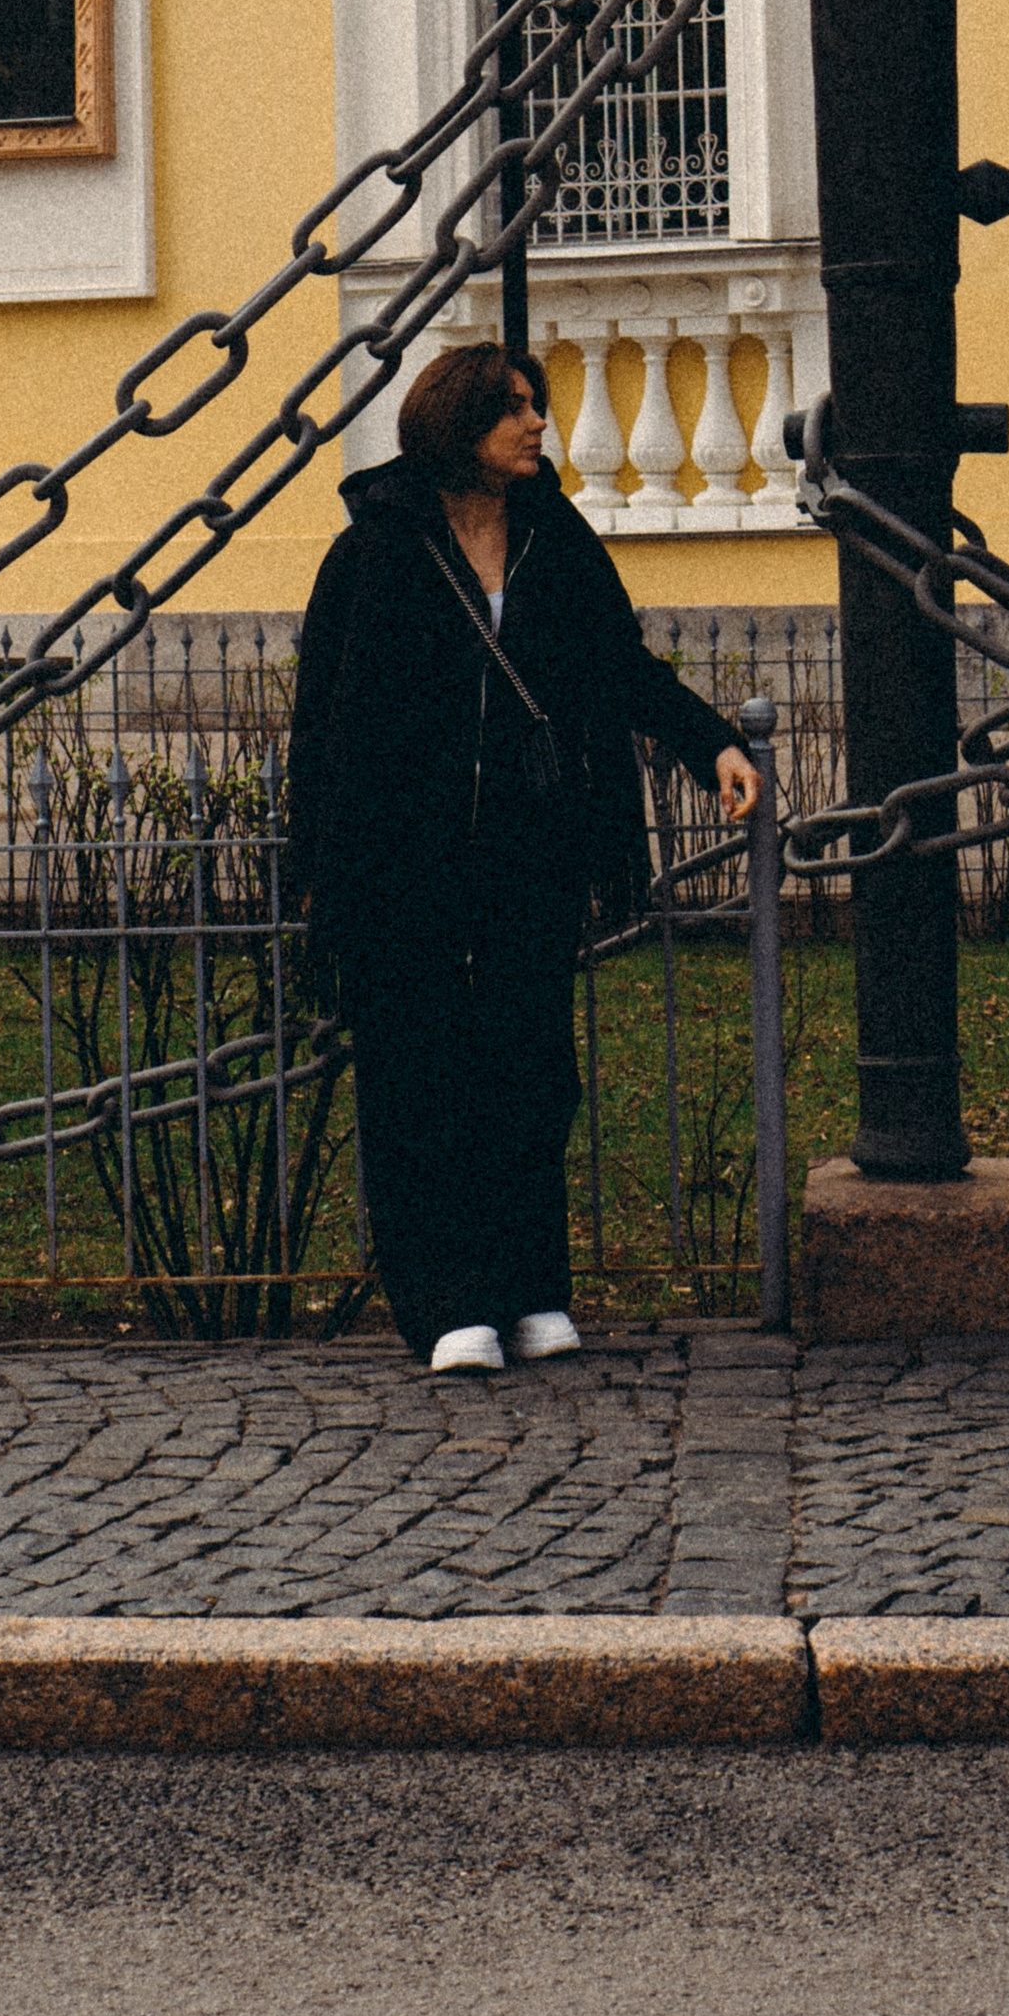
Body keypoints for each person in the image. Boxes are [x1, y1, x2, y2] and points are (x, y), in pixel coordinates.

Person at [287, 342, 762, 1374]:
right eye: (515, 408)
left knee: (529, 1071)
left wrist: (710, 742)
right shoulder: (375, 552)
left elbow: (619, 664)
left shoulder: (555, 535)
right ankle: (446, 1302)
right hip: (401, 863)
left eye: (536, 406)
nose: (538, 423)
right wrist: (316, 871)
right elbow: (321, 727)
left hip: (527, 851)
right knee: (415, 1077)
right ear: (459, 426)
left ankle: (529, 1286)